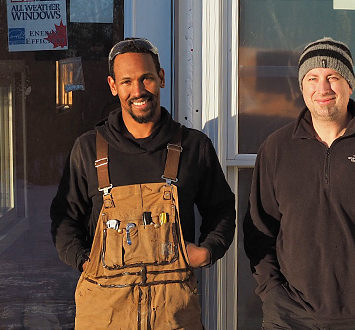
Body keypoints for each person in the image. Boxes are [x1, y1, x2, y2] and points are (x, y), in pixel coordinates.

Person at [50, 38, 236, 329]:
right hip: (105, 314)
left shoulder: (193, 146)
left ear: (160, 78)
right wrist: (85, 261)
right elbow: (64, 218)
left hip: (173, 314)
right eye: (126, 82)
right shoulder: (88, 150)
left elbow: (222, 209)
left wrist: (208, 250)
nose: (137, 91)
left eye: (146, 78)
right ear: (113, 86)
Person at [244, 37, 355, 329]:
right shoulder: (277, 149)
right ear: (301, 87)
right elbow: (260, 229)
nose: (323, 88)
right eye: (313, 78)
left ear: (350, 84)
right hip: (289, 316)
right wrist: (272, 293)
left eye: (333, 77)